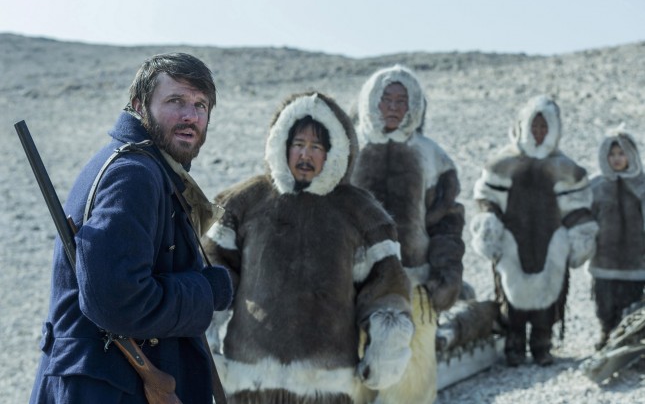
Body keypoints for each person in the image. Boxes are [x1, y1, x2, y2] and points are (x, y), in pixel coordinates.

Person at [29, 53, 233, 403]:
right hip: (106, 391)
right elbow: (119, 301)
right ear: (139, 105)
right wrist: (206, 291)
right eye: (176, 101)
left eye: (200, 105)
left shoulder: (147, 166)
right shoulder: (133, 174)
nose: (190, 116)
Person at [202, 92, 413, 404]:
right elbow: (212, 275)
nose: (305, 154)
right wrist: (205, 341)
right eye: (298, 144)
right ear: (282, 146)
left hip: (326, 382)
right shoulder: (244, 202)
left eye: (316, 147)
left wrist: (385, 349)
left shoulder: (362, 214)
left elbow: (386, 287)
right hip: (249, 378)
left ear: (334, 152)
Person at [350, 64, 465, 403]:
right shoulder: (348, 150)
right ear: (371, 100)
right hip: (355, 282)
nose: (394, 107)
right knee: (353, 369)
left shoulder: (432, 156)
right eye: (386, 98)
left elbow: (447, 221)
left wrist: (446, 273)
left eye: (402, 100)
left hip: (415, 282)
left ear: (414, 105)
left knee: (412, 373)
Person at [471, 95, 598, 366]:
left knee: (549, 293)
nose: (538, 132)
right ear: (523, 126)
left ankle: (542, 345)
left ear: (553, 130)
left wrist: (580, 235)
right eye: (534, 126)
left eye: (544, 127)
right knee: (511, 293)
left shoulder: (566, 168)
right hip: (512, 239)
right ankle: (514, 346)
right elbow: (487, 198)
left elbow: (576, 207)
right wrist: (489, 223)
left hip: (550, 240)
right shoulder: (502, 164)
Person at [589, 127, 645, 350]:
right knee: (605, 303)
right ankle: (606, 333)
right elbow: (586, 220)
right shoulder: (597, 186)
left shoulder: (642, 186)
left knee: (633, 304)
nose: (617, 159)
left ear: (631, 154)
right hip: (604, 261)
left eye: (621, 153)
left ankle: (631, 339)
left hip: (636, 260)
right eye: (612, 154)